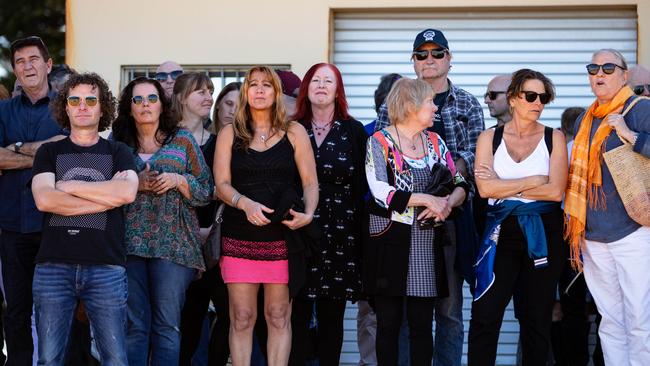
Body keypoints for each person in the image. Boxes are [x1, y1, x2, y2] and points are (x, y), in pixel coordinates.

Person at [374, 28, 485, 366]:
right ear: (414, 62)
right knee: (408, 310)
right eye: (422, 54)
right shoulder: (394, 103)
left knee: (449, 309)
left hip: (451, 217)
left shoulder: (467, 103)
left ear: (449, 59)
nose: (430, 60)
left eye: (437, 53)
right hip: (403, 219)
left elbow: (474, 160)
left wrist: (451, 199)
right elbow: (383, 160)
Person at [31, 72, 138, 365]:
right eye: (74, 100)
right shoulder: (49, 151)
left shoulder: (119, 152)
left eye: (91, 100)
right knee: (49, 359)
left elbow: (127, 193)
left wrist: (70, 187)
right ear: (65, 107)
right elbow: (44, 199)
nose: (82, 106)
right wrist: (105, 199)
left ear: (102, 107)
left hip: (105, 267)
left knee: (114, 359)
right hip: (54, 266)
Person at [214, 66, 318, 366]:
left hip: (282, 237)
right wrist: (244, 203)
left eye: (266, 85)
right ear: (246, 92)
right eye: (253, 84)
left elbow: (310, 182)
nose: (259, 90)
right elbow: (221, 184)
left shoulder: (295, 132)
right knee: (242, 318)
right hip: (240, 236)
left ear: (276, 93)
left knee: (278, 315)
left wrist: (308, 214)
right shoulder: (229, 132)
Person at [365, 77, 467, 365]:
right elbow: (380, 191)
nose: (436, 107)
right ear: (410, 106)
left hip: (427, 242)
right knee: (389, 324)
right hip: (389, 242)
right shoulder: (379, 141)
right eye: (430, 102)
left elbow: (458, 180)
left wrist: (449, 201)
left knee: (423, 326)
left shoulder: (436, 142)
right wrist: (427, 199)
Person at [469, 68, 567, 366]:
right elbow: (485, 189)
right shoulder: (490, 137)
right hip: (500, 232)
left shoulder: (555, 137)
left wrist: (507, 187)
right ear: (512, 98)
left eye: (544, 97)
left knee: (536, 319)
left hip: (543, 232)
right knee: (485, 315)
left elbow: (555, 192)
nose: (538, 102)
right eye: (531, 96)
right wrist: (533, 180)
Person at [111, 77, 213, 366]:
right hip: (127, 244)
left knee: (167, 327)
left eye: (152, 98)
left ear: (162, 104)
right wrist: (135, 185)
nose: (145, 105)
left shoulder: (182, 140)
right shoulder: (116, 145)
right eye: (138, 99)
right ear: (129, 108)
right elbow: (103, 189)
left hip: (175, 246)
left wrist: (179, 180)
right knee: (134, 327)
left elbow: (206, 189)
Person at [565, 49, 650, 365]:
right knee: (610, 322)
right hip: (593, 235)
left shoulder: (639, 110)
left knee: (640, 320)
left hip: (633, 231)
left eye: (608, 68)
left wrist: (629, 135)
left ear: (624, 75)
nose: (599, 74)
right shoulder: (585, 119)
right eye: (593, 68)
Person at [288, 63, 368, 366]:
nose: (321, 85)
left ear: (338, 90)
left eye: (328, 81)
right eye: (315, 80)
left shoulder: (354, 130)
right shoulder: (292, 128)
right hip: (297, 229)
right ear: (307, 88)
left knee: (331, 318)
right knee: (295, 314)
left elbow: (363, 188)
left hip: (340, 232)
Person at [0, 35, 67, 366]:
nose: (27, 66)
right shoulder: (3, 111)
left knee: (58, 305)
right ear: (14, 70)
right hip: (12, 224)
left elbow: (68, 155)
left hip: (57, 223)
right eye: (20, 62)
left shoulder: (68, 107)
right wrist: (42, 150)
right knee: (16, 308)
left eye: (33, 59)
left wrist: (14, 147)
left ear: (48, 64)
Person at [170, 72, 225, 366]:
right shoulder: (164, 139)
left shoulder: (218, 142)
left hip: (210, 241)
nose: (208, 97)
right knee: (181, 322)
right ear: (180, 97)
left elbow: (224, 190)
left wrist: (209, 230)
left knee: (229, 315)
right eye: (200, 91)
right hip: (175, 242)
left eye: (210, 91)